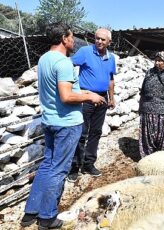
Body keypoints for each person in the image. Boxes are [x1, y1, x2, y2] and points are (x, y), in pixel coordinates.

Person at [20, 22, 106, 229]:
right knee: (59, 170)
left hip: (50, 120)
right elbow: (66, 96)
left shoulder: (44, 59)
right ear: (63, 39)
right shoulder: (64, 62)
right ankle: (48, 217)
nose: (73, 40)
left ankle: (30, 213)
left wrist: (86, 93)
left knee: (48, 164)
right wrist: (89, 96)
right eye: (71, 36)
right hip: (66, 124)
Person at [67, 28, 116, 182]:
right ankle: (75, 167)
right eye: (97, 38)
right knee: (80, 133)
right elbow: (68, 66)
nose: (99, 42)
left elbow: (110, 79)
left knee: (96, 132)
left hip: (102, 99)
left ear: (109, 42)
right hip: (86, 98)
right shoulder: (85, 51)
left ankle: (89, 164)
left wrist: (111, 98)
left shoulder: (111, 58)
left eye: (103, 39)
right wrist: (75, 89)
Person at [138, 51, 164, 157]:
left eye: (160, 61)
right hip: (148, 111)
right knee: (148, 138)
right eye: (156, 60)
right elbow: (142, 92)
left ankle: (162, 159)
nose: (157, 63)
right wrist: (140, 107)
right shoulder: (149, 73)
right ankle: (147, 159)